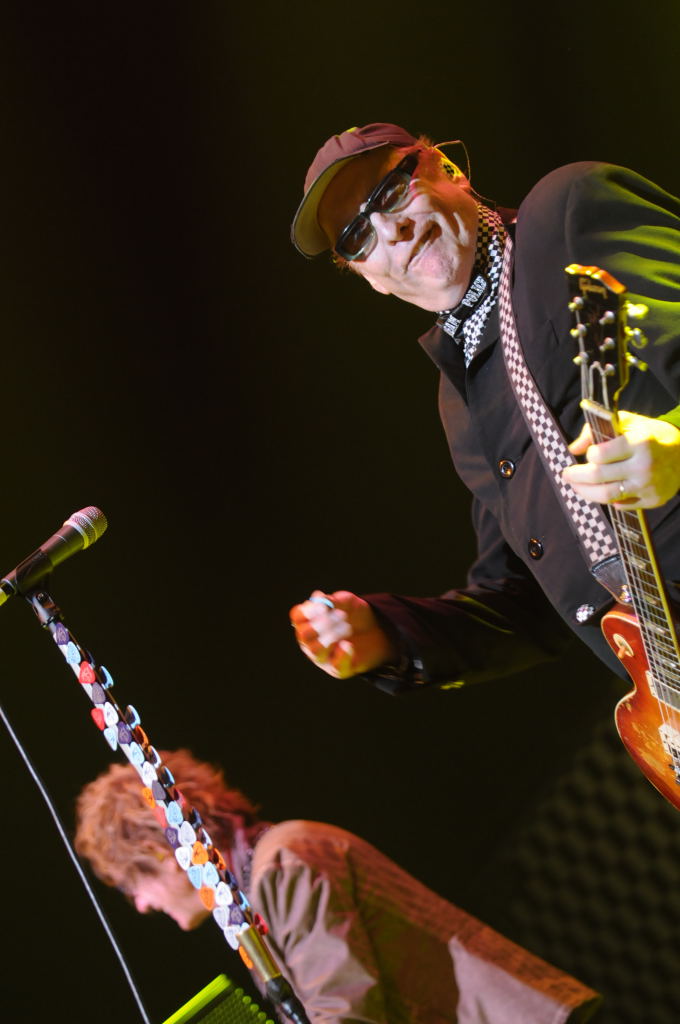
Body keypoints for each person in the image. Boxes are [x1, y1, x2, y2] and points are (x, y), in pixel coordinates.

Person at [288, 123, 680, 706]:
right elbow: (528, 605)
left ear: (448, 169)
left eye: (391, 192)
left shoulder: (564, 213)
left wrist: (676, 442)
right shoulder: (460, 403)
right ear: (370, 279)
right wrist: (389, 638)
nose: (390, 231)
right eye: (357, 237)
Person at [75, 748, 600, 1023]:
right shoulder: (258, 893)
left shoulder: (283, 862)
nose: (140, 905)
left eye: (130, 885)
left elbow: (346, 1010)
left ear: (162, 852)